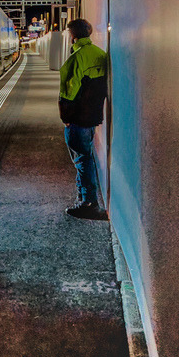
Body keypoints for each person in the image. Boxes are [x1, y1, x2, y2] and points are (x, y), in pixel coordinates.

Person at [59, 18, 109, 220]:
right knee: (86, 158)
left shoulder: (76, 57)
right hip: (93, 116)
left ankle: (88, 203)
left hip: (78, 118)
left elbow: (69, 92)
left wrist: (66, 117)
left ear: (73, 36)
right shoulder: (100, 54)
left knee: (82, 160)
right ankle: (86, 199)